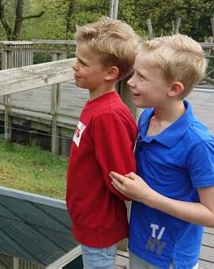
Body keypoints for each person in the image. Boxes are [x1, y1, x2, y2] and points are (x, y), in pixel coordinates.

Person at [110, 34, 214, 269]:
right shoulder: (146, 118)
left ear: (174, 89)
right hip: (140, 242)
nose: (130, 82)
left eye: (141, 77)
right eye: (134, 72)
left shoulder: (198, 143)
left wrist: (147, 197)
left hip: (172, 257)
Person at [66, 17, 140, 269]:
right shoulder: (96, 106)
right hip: (88, 219)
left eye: (83, 63)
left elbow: (122, 180)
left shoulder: (107, 116)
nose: (74, 66)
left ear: (111, 73)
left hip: (99, 223)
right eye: (76, 58)